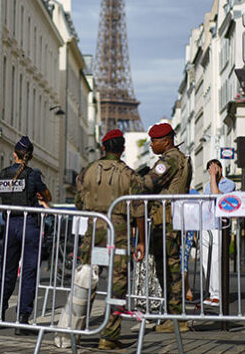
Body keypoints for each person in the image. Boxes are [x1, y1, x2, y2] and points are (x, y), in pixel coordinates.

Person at [75, 129, 145, 350]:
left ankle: (76, 331)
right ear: (122, 149)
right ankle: (109, 336)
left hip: (95, 231)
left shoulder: (87, 171)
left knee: (87, 279)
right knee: (118, 283)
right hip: (119, 233)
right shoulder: (130, 174)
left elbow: (79, 202)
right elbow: (139, 210)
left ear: (103, 147)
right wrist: (141, 241)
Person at [0, 136, 51, 336]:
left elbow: (5, 196)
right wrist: (38, 195)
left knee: (7, 271)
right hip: (29, 224)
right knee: (28, 273)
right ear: (30, 157)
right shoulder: (32, 175)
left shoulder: (3, 174)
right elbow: (47, 195)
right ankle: (22, 319)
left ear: (14, 154)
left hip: (10, 225)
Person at [139, 122, 192, 333]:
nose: (151, 145)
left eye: (154, 141)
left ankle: (176, 318)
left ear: (166, 141)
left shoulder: (169, 160)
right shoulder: (180, 158)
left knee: (169, 268)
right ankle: (174, 316)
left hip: (166, 219)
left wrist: (131, 182)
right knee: (169, 267)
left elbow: (149, 183)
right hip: (170, 217)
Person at [200, 159, 235, 307]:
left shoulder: (229, 183)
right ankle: (210, 292)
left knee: (215, 260)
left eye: (215, 168)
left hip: (219, 225)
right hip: (206, 224)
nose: (213, 171)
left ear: (220, 168)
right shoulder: (208, 185)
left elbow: (216, 195)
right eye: (210, 169)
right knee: (206, 261)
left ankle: (218, 294)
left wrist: (213, 177)